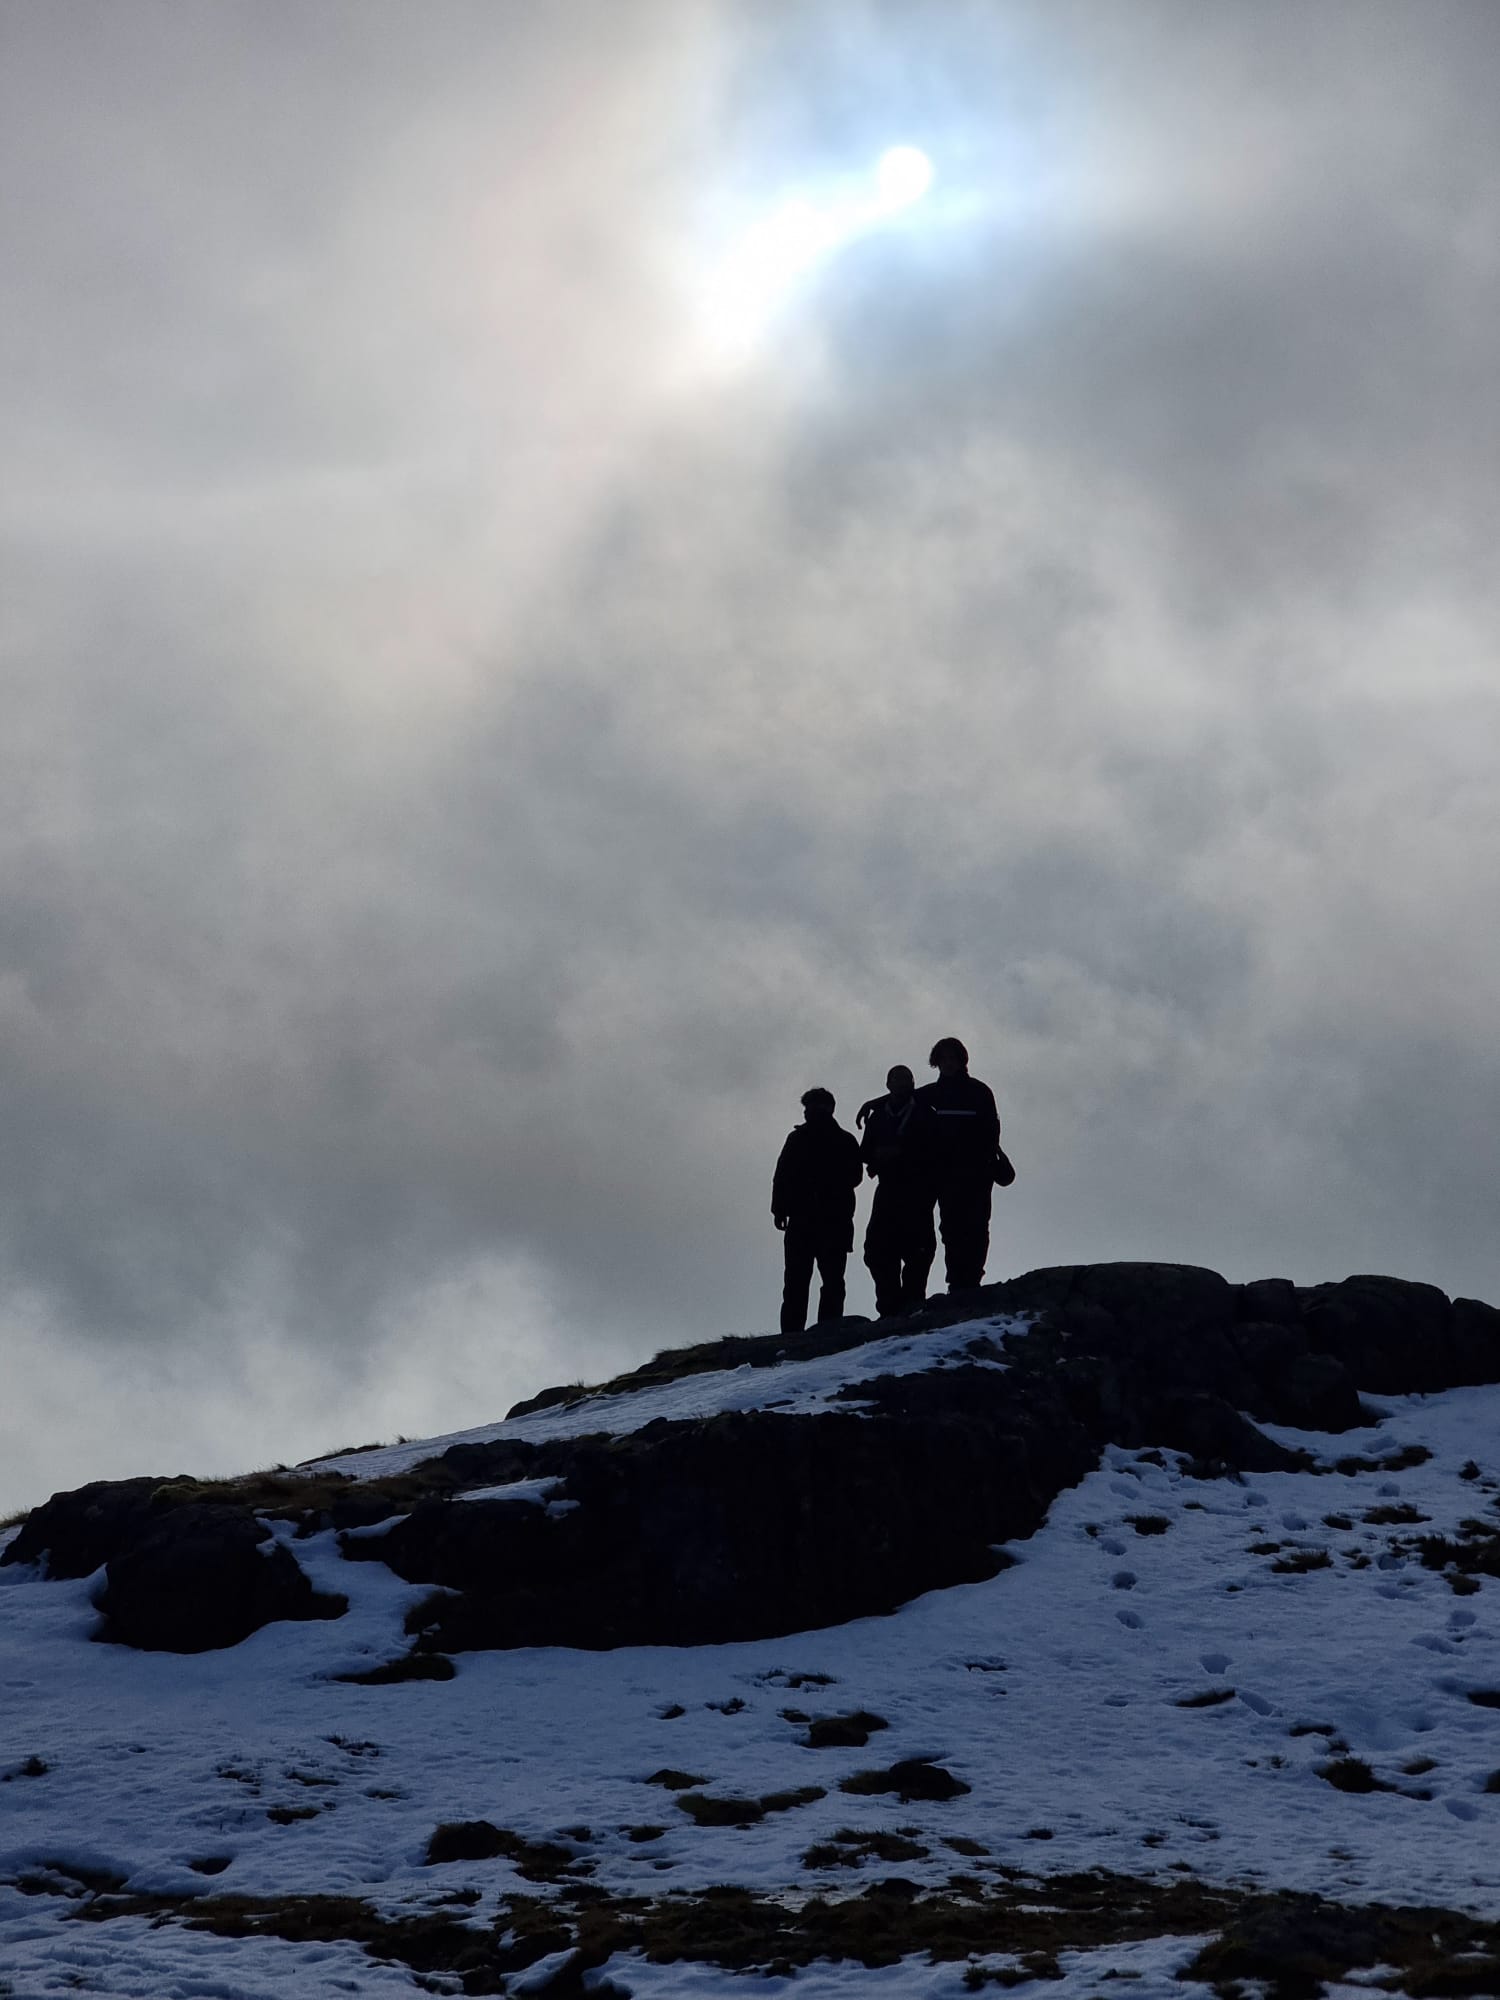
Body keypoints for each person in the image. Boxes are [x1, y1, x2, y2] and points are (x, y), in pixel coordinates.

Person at [771, 1087, 863, 1335]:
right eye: (809, 1108)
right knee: (799, 1283)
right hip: (808, 1221)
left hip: (831, 1221)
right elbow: (781, 1176)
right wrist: (779, 1208)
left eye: (814, 1107)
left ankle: (823, 1333)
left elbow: (855, 1176)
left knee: (827, 1281)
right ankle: (795, 1336)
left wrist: (781, 1208)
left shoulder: (843, 1141)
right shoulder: (801, 1139)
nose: (810, 1113)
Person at [915, 1036, 1002, 1292]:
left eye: (952, 1058)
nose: (948, 1064)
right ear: (937, 1062)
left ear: (961, 1060)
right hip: (945, 1175)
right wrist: (873, 1103)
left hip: (976, 1173)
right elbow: (900, 1097)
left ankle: (972, 1278)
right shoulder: (930, 1094)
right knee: (951, 1228)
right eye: (943, 1059)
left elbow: (992, 1130)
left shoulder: (980, 1092)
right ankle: (957, 1280)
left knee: (976, 1226)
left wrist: (984, 1161)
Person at [859, 1065, 937, 1317]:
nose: (903, 1084)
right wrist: (878, 1156)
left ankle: (912, 1302)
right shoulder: (879, 1115)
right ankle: (889, 1305)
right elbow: (865, 1151)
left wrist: (902, 1152)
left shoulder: (925, 1112)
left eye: (907, 1080)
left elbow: (933, 1148)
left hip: (917, 1190)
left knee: (919, 1250)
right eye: (897, 1080)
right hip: (888, 1189)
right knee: (878, 1250)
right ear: (888, 1084)